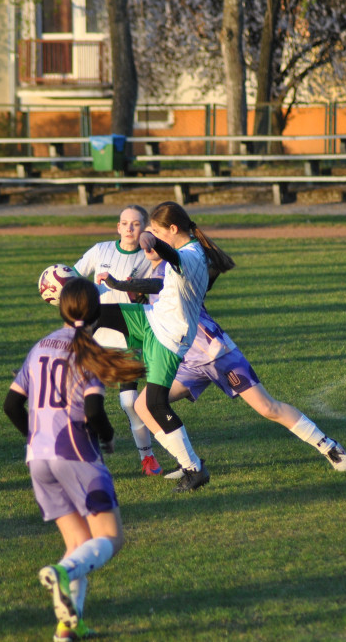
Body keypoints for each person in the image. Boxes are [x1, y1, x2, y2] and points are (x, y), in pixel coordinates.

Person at [100, 247, 346, 473]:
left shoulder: (174, 265)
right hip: (188, 361)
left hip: (215, 354)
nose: (147, 243)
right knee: (145, 406)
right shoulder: (155, 268)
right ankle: (187, 462)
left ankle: (328, 446)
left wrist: (120, 285)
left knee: (267, 408)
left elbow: (160, 286)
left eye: (154, 234)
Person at [4, 278, 145, 642]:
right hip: (76, 453)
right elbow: (95, 409)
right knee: (111, 538)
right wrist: (110, 438)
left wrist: (36, 439)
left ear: (62, 308)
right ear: (97, 311)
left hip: (38, 458)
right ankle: (63, 571)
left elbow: (11, 405)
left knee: (78, 541)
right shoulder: (89, 350)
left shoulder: (39, 346)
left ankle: (68, 627)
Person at [96, 201, 236, 492]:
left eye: (157, 230)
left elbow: (171, 255)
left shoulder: (190, 255)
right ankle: (51, 360)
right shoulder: (189, 253)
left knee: (153, 404)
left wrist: (152, 241)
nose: (149, 235)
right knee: (96, 312)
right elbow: (163, 286)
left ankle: (194, 469)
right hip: (152, 320)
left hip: (169, 337)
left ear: (172, 230)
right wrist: (120, 286)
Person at [73, 205, 159, 476]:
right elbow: (73, 278)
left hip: (130, 335)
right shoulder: (101, 250)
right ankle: (82, 457)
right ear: (118, 227)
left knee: (129, 402)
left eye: (135, 223)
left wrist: (139, 295)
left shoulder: (151, 259)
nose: (130, 228)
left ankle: (147, 457)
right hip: (95, 336)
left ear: (144, 228)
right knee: (81, 399)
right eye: (125, 223)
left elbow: (156, 296)